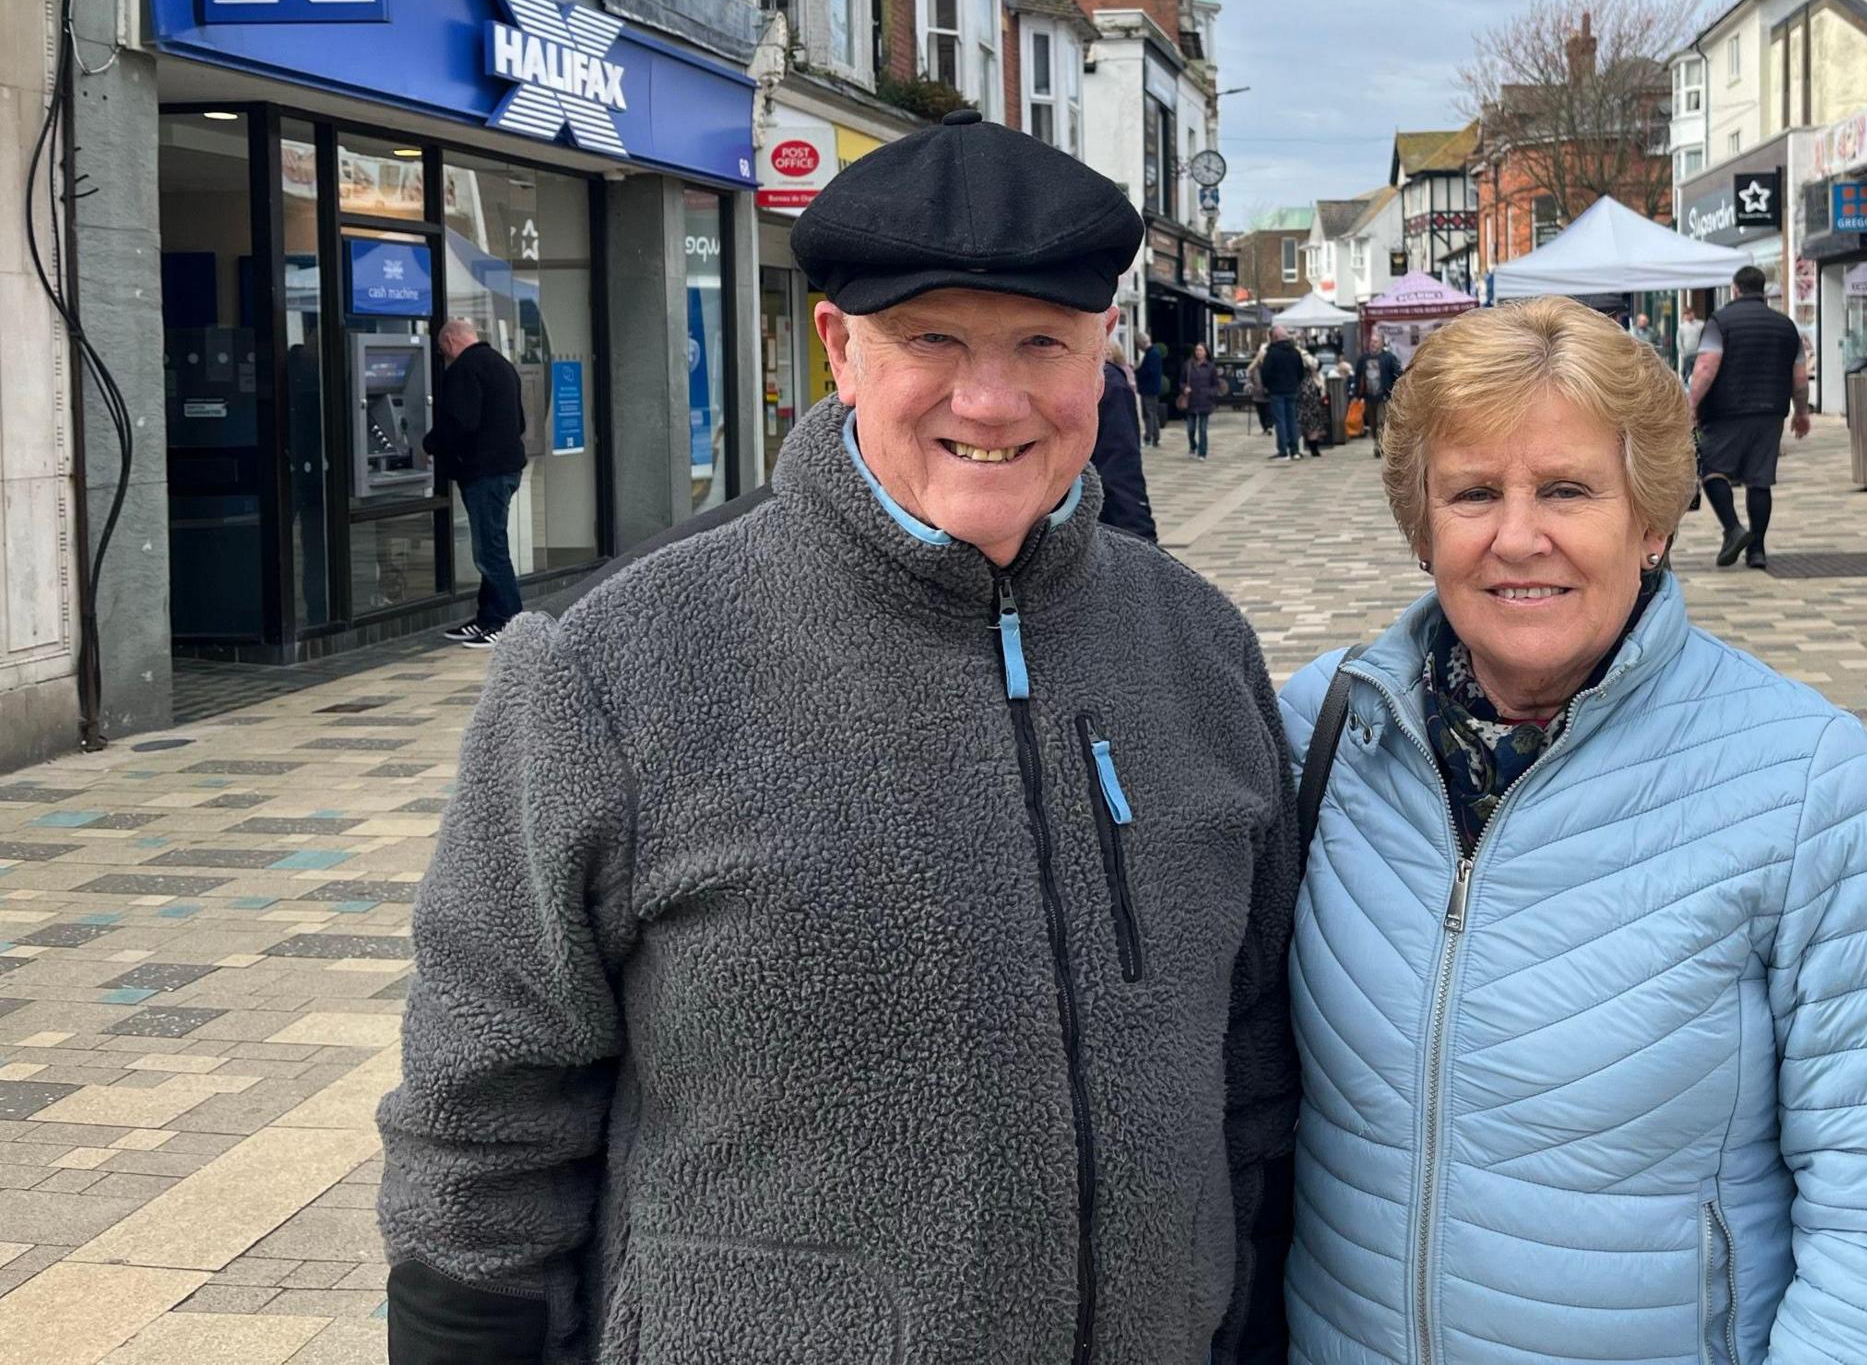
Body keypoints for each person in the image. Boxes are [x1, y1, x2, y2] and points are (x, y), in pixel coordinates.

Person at [377, 108, 1297, 1365]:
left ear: (1103, 356)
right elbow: (484, 1116)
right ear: (839, 350)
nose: (991, 397)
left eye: (1042, 342)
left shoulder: (1197, 648)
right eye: (933, 339)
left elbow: (1248, 1061)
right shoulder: (611, 668)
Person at [1282, 296, 1867, 1365]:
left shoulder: (1801, 778)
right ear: (1421, 525)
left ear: (1651, 518)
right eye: (1473, 492)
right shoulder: (1321, 730)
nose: (1519, 534)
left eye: (1567, 489)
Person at [1688, 265, 1811, 569]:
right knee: (1760, 480)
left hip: (1726, 411)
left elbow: (1706, 367)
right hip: (1771, 412)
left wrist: (1690, 404)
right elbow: (1800, 378)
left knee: (1713, 470)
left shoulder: (1721, 322)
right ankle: (1757, 550)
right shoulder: (1786, 326)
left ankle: (1733, 529)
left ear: (1735, 289)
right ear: (1763, 290)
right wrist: (1802, 413)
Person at [424, 316, 527, 649]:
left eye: (443, 352)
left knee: (489, 550)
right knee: (491, 543)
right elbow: (521, 421)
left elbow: (461, 423)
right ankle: (488, 617)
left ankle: (511, 623)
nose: (445, 358)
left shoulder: (465, 370)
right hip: (507, 469)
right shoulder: (502, 366)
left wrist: (430, 445)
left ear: (452, 342)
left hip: (485, 472)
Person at [1097, 340, 1158, 539]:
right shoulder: (1113, 383)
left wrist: (1142, 544)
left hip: (1100, 527)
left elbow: (1120, 471)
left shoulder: (1110, 385)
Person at [1259, 325, 1308, 461]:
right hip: (1292, 390)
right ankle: (1295, 450)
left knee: (1280, 421)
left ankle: (1283, 451)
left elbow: (1265, 372)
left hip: (1277, 391)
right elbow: (1301, 372)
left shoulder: (1272, 353)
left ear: (1274, 337)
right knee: (1292, 420)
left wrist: (1267, 386)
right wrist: (1295, 383)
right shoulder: (1295, 352)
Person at [1353, 328, 1402, 459]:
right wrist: (1356, 395)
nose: (1372, 344)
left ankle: (1379, 446)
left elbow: (1397, 374)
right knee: (1373, 423)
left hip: (1383, 396)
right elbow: (1358, 377)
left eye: (1375, 341)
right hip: (1369, 396)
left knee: (1382, 421)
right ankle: (1378, 441)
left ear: (1381, 343)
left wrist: (1395, 392)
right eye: (1371, 341)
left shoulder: (1389, 358)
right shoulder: (1363, 358)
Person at [1178, 341, 1220, 458]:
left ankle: (1202, 452)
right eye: (1197, 350)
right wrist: (1184, 388)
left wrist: (1210, 393)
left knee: (1202, 429)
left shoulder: (1211, 367)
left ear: (1206, 352)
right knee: (1190, 429)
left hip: (1205, 401)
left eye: (1201, 350)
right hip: (1191, 400)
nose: (1198, 352)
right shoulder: (1188, 365)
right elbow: (1181, 382)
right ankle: (1193, 445)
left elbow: (1216, 385)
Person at [1133, 331, 1167, 448]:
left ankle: (1150, 437)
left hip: (1149, 388)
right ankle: (1155, 438)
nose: (1138, 348)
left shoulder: (1152, 354)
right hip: (1152, 388)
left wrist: (1137, 371)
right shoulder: (1153, 353)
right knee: (1153, 413)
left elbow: (1149, 371)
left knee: (1149, 414)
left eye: (1138, 345)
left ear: (1142, 343)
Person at [1675, 302, 1706, 381]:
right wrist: (1683, 353)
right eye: (1686, 314)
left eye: (1689, 313)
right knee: (1687, 373)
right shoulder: (1682, 327)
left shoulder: (1701, 325)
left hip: (1699, 354)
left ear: (1693, 313)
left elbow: (1705, 338)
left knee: (1699, 374)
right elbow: (1679, 341)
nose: (1688, 316)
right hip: (1687, 355)